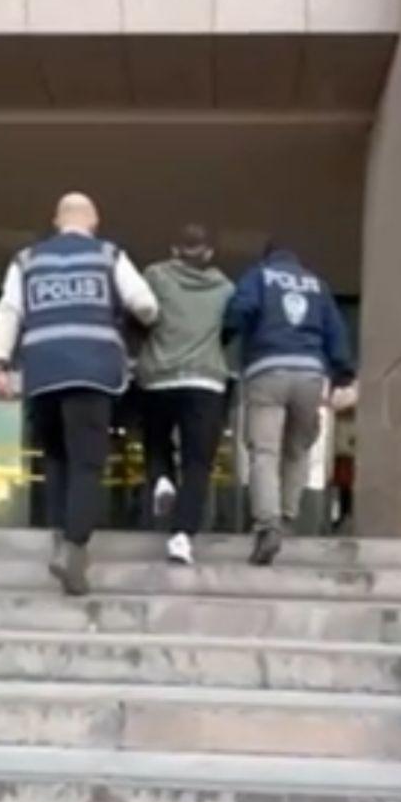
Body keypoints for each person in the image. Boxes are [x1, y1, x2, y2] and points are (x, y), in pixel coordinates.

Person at [0, 192, 158, 595]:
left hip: (43, 374)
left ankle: (60, 536)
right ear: (93, 220)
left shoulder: (27, 259)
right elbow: (146, 305)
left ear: (56, 221)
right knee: (87, 463)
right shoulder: (108, 254)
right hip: (92, 373)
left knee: (56, 459)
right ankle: (73, 547)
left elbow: (8, 310)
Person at [224, 241, 356, 566]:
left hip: (267, 371)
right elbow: (335, 330)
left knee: (265, 453)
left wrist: (226, 336)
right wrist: (342, 372)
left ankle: (267, 525)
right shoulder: (316, 284)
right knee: (298, 449)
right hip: (310, 374)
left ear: (267, 257)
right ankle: (287, 516)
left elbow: (240, 311)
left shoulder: (259, 276)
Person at [136, 223, 234, 565]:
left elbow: (140, 314)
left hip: (159, 378)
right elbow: (230, 329)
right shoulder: (226, 289)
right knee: (197, 464)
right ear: (209, 253)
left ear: (174, 250)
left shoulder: (155, 276)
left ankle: (162, 479)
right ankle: (181, 536)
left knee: (156, 442)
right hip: (206, 381)